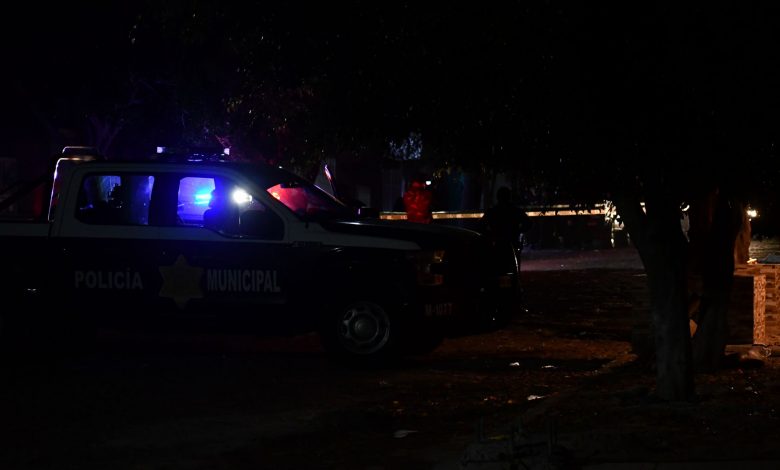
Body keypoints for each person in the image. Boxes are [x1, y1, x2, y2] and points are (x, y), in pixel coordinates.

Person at [481, 186, 532, 252]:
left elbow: (480, 226)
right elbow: (529, 223)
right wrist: (518, 231)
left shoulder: (492, 211)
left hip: (497, 244)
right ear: (509, 197)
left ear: (498, 197)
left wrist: (491, 235)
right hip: (512, 243)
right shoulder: (515, 211)